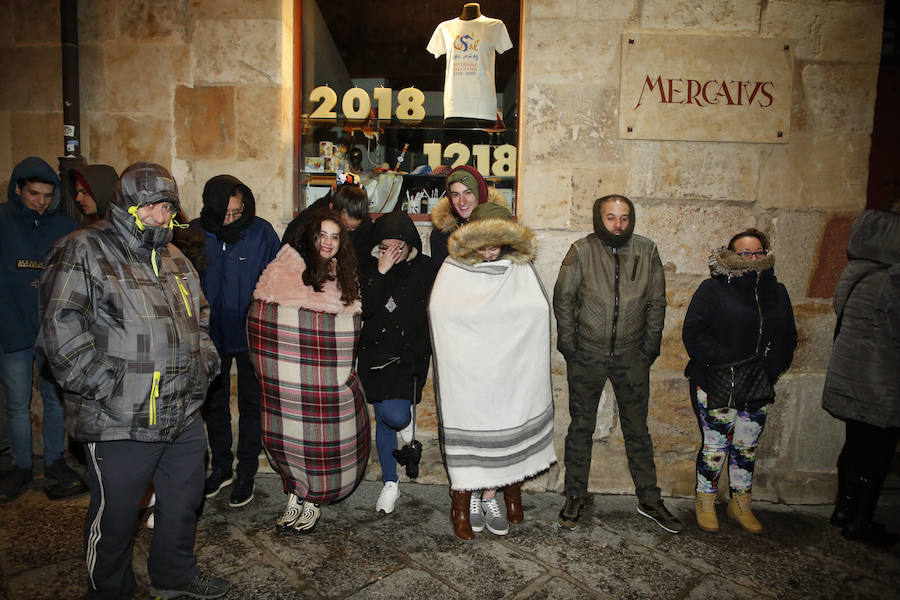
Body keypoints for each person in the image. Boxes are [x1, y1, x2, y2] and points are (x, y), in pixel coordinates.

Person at [36, 162, 229, 599]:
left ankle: (174, 573)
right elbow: (60, 332)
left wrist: (206, 363)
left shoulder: (176, 257)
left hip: (182, 412)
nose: (165, 217)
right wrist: (110, 388)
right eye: (157, 207)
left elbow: (199, 318)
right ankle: (109, 590)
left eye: (169, 207)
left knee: (183, 505)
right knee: (117, 516)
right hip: (119, 417)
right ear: (129, 206)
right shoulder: (82, 249)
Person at [553, 194, 682, 533]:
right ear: (599, 219)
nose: (618, 224)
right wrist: (570, 346)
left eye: (624, 217)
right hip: (588, 355)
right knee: (581, 427)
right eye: (611, 217)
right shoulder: (581, 250)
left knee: (638, 430)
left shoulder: (647, 250)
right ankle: (575, 495)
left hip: (632, 357)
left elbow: (657, 302)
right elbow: (563, 299)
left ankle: (650, 499)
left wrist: (649, 349)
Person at [430, 203, 556, 540]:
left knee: (509, 424)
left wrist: (507, 337)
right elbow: (441, 312)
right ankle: (465, 502)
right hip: (469, 371)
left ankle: (499, 497)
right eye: (482, 245)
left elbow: (537, 311)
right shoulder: (454, 269)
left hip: (510, 369)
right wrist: (478, 335)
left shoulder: (519, 269)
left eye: (495, 244)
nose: (488, 252)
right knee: (473, 431)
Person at [249, 209, 370, 534]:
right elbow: (263, 320)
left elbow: (347, 329)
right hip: (287, 383)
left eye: (335, 236)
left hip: (320, 383)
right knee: (289, 437)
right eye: (322, 235)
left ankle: (313, 497)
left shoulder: (343, 273)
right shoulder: (283, 268)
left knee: (319, 437)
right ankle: (294, 492)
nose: (328, 243)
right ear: (310, 236)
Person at [682, 229, 797, 534]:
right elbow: (693, 332)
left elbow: (788, 337)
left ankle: (740, 502)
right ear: (731, 255)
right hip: (716, 381)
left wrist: (772, 368)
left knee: (746, 446)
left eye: (758, 252)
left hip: (757, 383)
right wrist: (723, 360)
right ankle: (705, 500)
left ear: (766, 254)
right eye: (744, 253)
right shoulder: (713, 289)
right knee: (716, 444)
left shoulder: (777, 291)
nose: (752, 258)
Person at [0, 156, 86, 503]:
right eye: (34, 193)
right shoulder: (2, 221)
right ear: (17, 189)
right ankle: (21, 465)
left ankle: (54, 460)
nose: (41, 201)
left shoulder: (63, 225)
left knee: (54, 401)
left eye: (48, 195)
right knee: (17, 403)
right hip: (12, 327)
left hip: (51, 331)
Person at [193, 175, 280, 508]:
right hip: (210, 334)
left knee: (251, 403)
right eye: (226, 213)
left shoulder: (261, 233)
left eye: (237, 212)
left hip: (250, 332)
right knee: (213, 404)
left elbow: (277, 279)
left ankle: (246, 470)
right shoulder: (195, 233)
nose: (231, 219)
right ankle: (221, 465)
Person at [822, 208, 900, 548]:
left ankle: (843, 509)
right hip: (881, 381)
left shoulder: (855, 273)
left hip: (850, 376)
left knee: (855, 446)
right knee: (877, 454)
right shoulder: (892, 281)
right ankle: (860, 521)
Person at [358, 210, 435, 514]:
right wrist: (381, 271)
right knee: (383, 417)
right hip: (375, 354)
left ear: (410, 244)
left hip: (408, 355)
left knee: (396, 414)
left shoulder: (426, 267)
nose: (391, 252)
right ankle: (390, 483)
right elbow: (364, 309)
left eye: (398, 246)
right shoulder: (367, 267)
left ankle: (407, 423)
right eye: (384, 246)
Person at [281, 175, 374, 262]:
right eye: (345, 226)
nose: (349, 231)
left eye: (354, 228)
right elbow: (287, 257)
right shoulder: (309, 221)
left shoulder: (365, 224)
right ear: (332, 208)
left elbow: (361, 262)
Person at [428, 165, 488, 269]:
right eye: (456, 194)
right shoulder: (441, 234)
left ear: (480, 193)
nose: (462, 202)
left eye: (468, 193)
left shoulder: (500, 228)